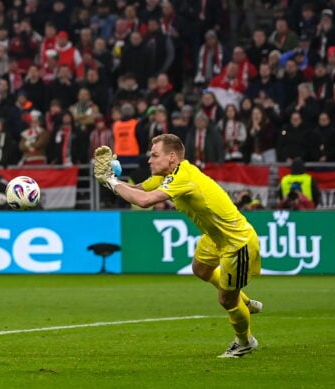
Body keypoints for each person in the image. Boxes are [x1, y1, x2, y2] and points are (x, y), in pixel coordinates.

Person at [93, 136, 263, 358]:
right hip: (214, 237)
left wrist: (111, 181)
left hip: (236, 242)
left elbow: (144, 202)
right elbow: (136, 191)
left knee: (226, 299)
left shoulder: (183, 176)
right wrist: (111, 179)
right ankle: (245, 302)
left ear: (171, 157)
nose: (149, 160)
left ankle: (245, 341)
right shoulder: (168, 176)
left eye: (154, 155)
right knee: (200, 269)